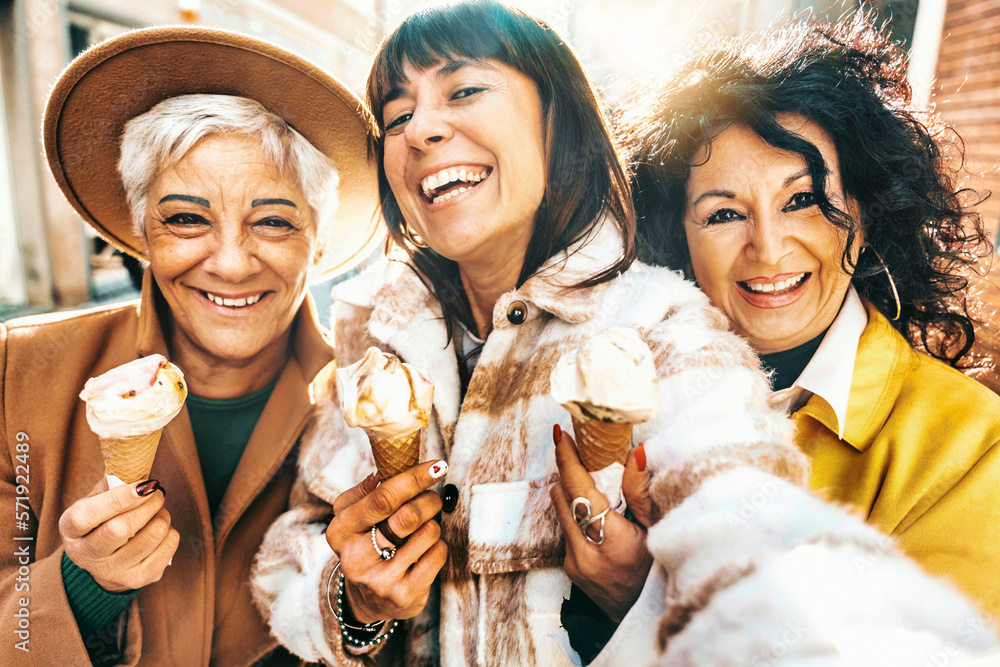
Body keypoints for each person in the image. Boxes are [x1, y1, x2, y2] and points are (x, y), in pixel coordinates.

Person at [253, 3, 999, 665]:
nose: (422, 128)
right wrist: (350, 602)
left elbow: (747, 539)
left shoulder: (658, 329)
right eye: (394, 115)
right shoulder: (375, 333)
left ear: (557, 119)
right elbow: (293, 549)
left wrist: (647, 598)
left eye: (464, 88)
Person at [0, 26, 380, 665]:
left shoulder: (372, 402)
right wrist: (80, 584)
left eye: (273, 221)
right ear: (141, 233)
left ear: (317, 242)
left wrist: (363, 613)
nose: (231, 264)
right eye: (185, 218)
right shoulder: (15, 376)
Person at [625, 14, 1000, 620]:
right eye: (724, 214)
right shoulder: (624, 398)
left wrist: (634, 598)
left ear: (866, 210)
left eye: (803, 201)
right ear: (678, 238)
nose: (768, 249)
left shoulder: (973, 448)